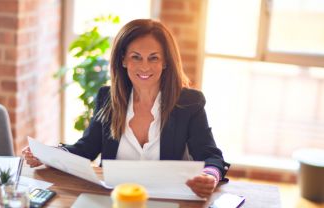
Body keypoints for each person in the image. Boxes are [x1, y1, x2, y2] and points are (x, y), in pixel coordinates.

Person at [22, 19, 230, 198]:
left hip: (168, 201)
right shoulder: (108, 99)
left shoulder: (188, 103)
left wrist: (210, 176)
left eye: (154, 58)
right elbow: (85, 149)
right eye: (136, 57)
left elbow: (211, 156)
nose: (145, 66)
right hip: (114, 200)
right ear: (123, 60)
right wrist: (47, 155)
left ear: (166, 62)